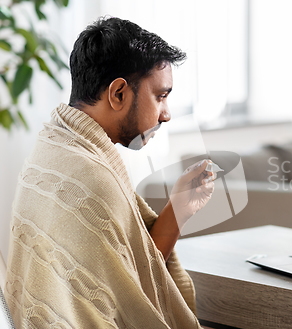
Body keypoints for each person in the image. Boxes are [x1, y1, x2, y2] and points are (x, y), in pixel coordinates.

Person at [5, 17, 214, 328]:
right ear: (118, 94)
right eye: (160, 96)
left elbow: (125, 276)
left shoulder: (50, 149)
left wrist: (180, 208)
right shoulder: (91, 177)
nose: (166, 114)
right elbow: (138, 298)